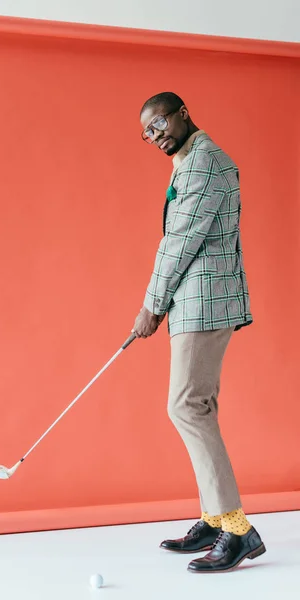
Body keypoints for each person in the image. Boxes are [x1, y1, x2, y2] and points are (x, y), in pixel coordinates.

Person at [132, 92, 266, 573]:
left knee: (186, 406)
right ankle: (214, 516)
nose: (156, 135)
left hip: (204, 301)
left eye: (161, 122)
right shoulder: (189, 160)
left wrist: (152, 303)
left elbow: (180, 240)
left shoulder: (204, 163)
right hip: (196, 300)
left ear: (183, 113)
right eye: (147, 131)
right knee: (197, 405)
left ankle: (237, 528)